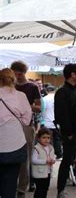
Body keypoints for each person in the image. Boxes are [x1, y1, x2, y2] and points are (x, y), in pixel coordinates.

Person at [10, 61, 42, 195]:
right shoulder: (9, 87)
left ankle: (23, 186)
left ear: (24, 72)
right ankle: (12, 184)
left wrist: (26, 106)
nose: (17, 76)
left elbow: (39, 108)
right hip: (10, 125)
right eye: (15, 73)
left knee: (26, 157)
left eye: (20, 74)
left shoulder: (32, 87)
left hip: (27, 125)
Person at [0, 68, 32, 198]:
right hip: (16, 143)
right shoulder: (21, 96)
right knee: (11, 181)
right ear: (14, 80)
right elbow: (26, 120)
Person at [54, 63, 76, 198]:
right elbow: (61, 115)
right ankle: (61, 189)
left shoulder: (75, 90)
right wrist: (69, 133)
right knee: (67, 160)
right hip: (70, 133)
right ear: (72, 74)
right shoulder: (62, 92)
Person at [31, 128, 56, 198]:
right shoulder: (37, 148)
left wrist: (53, 159)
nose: (46, 140)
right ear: (38, 138)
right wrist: (45, 161)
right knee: (39, 190)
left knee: (45, 189)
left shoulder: (51, 148)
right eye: (44, 137)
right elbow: (33, 160)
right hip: (39, 173)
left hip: (47, 172)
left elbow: (53, 156)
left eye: (48, 138)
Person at [42, 85, 62, 159]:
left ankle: (50, 154)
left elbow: (42, 111)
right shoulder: (58, 98)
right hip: (57, 122)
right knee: (57, 139)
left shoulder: (44, 99)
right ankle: (59, 154)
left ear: (47, 91)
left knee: (48, 139)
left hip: (47, 122)